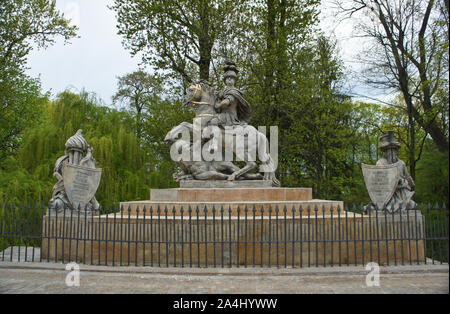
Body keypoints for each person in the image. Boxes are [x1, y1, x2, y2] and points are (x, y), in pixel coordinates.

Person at [368, 131, 416, 212]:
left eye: (394, 149)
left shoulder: (401, 163)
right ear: (385, 151)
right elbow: (379, 182)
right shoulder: (381, 163)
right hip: (388, 196)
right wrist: (394, 183)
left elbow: (407, 179)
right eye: (389, 150)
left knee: (412, 205)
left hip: (403, 194)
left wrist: (406, 182)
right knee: (390, 206)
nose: (392, 152)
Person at [213, 60, 252, 127]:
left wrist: (217, 105)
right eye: (227, 78)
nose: (229, 79)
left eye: (232, 78)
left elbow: (226, 102)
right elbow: (217, 95)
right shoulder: (224, 91)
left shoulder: (234, 92)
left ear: (235, 80)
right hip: (222, 115)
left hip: (229, 117)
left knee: (212, 121)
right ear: (225, 80)